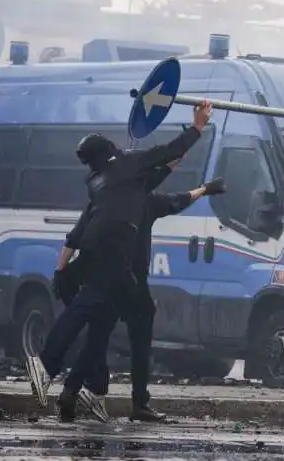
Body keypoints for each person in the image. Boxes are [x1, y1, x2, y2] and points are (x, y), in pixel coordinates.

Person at [25, 101, 213, 420]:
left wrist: (60, 271)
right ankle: (48, 366)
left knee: (97, 319)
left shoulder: (101, 184)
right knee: (96, 310)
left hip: (98, 254)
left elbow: (160, 169)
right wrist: (197, 127)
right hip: (116, 255)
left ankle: (80, 390)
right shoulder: (130, 170)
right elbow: (168, 155)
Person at [64, 161, 226, 422]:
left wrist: (63, 272)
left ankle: (70, 392)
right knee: (140, 342)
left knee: (96, 340)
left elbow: (75, 238)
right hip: (133, 283)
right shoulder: (145, 202)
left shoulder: (101, 203)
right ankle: (140, 403)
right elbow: (180, 200)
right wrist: (206, 189)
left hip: (103, 280)